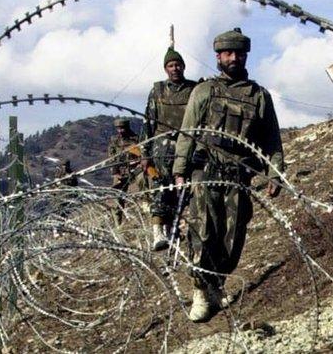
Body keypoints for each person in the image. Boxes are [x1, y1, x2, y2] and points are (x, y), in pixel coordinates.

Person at [172, 28, 284, 323]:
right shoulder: (204, 91)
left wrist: (275, 173)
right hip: (206, 173)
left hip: (238, 177)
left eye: (239, 53)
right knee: (203, 232)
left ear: (245, 55)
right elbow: (188, 132)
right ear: (218, 56)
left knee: (232, 238)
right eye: (228, 53)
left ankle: (217, 283)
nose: (233, 58)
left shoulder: (258, 96)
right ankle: (200, 290)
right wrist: (180, 171)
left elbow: (272, 139)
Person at [141, 46, 198, 251]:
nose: (175, 69)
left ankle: (174, 229)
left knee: (181, 189)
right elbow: (148, 123)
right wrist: (145, 153)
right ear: (166, 69)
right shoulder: (157, 91)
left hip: (186, 146)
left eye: (178, 65)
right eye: (170, 65)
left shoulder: (193, 90)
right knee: (162, 189)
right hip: (162, 149)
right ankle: (158, 232)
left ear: (183, 66)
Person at [107, 118, 141, 224]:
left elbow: (141, 154)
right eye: (118, 128)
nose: (120, 131)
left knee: (136, 197)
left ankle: (136, 222)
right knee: (117, 198)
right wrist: (115, 172)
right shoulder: (114, 140)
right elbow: (111, 157)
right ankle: (118, 224)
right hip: (119, 172)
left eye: (122, 128)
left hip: (134, 172)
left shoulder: (135, 139)